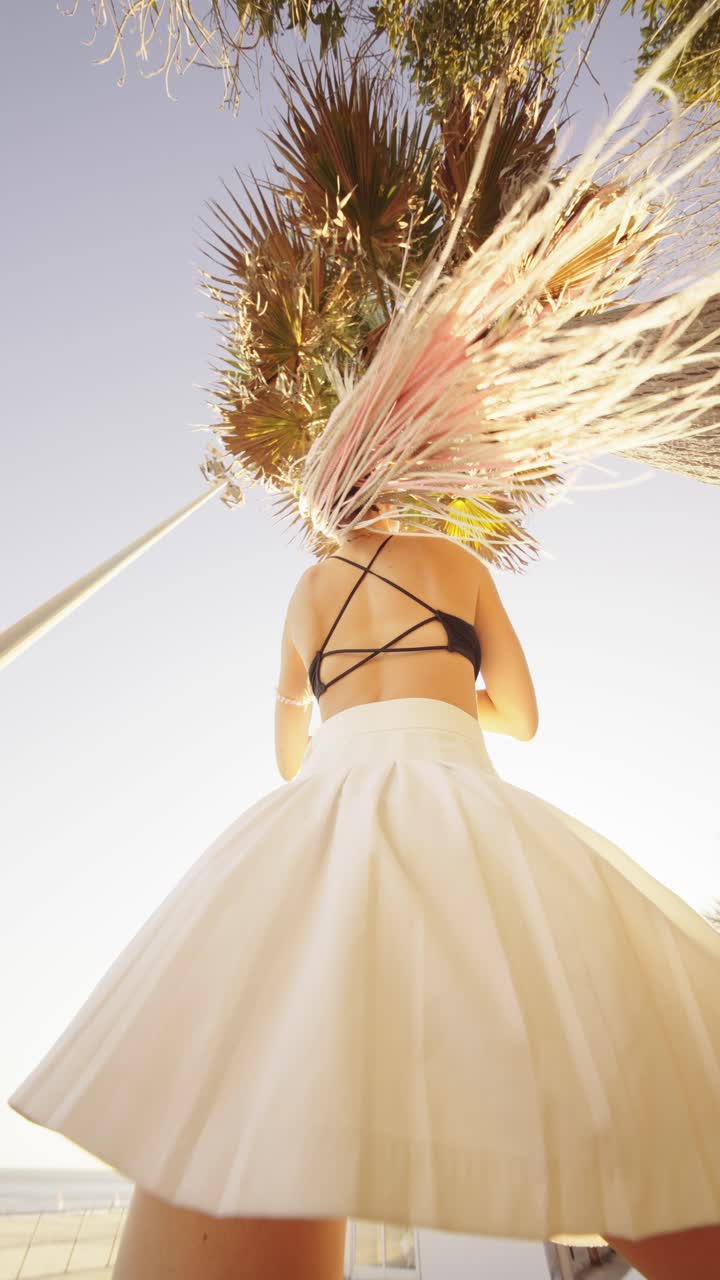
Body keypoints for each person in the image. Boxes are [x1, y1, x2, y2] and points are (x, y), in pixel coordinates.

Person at [8, 499, 720, 1280]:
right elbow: (521, 717)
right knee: (600, 1072)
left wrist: (344, 712)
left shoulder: (307, 591)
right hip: (454, 795)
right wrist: (440, 701)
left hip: (327, 809)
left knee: (265, 1075)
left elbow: (288, 758)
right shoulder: (458, 564)